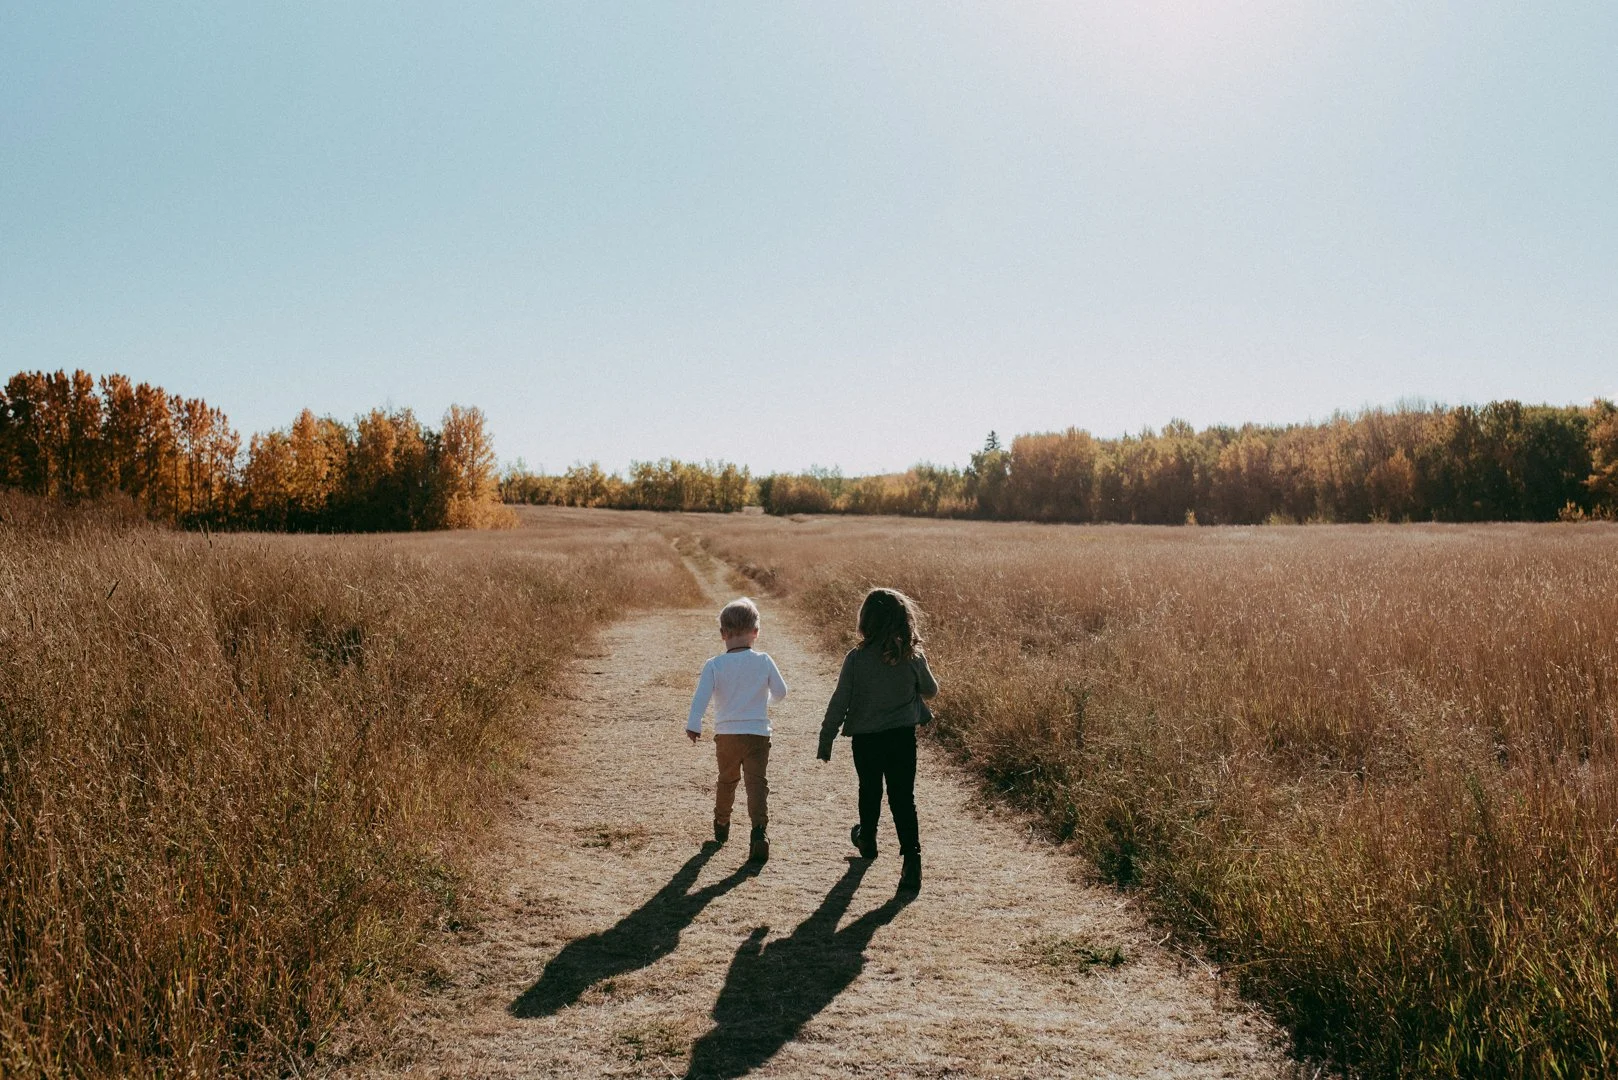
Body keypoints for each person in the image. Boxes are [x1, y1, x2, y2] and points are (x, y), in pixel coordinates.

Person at [817, 587, 938, 892]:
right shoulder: (911, 655)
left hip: (866, 740)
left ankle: (867, 838)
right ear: (903, 619)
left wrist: (826, 737)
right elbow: (931, 690)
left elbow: (839, 701)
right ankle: (912, 860)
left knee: (869, 788)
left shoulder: (856, 659)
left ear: (866, 620)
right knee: (902, 797)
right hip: (902, 737)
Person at [687, 597, 788, 863]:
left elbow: (701, 698)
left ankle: (721, 824)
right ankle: (759, 832)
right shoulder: (764, 660)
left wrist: (694, 725)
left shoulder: (714, 665)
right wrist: (763, 703)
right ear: (756, 632)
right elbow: (781, 692)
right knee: (756, 784)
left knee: (727, 780)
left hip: (727, 735)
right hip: (757, 733)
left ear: (723, 634)